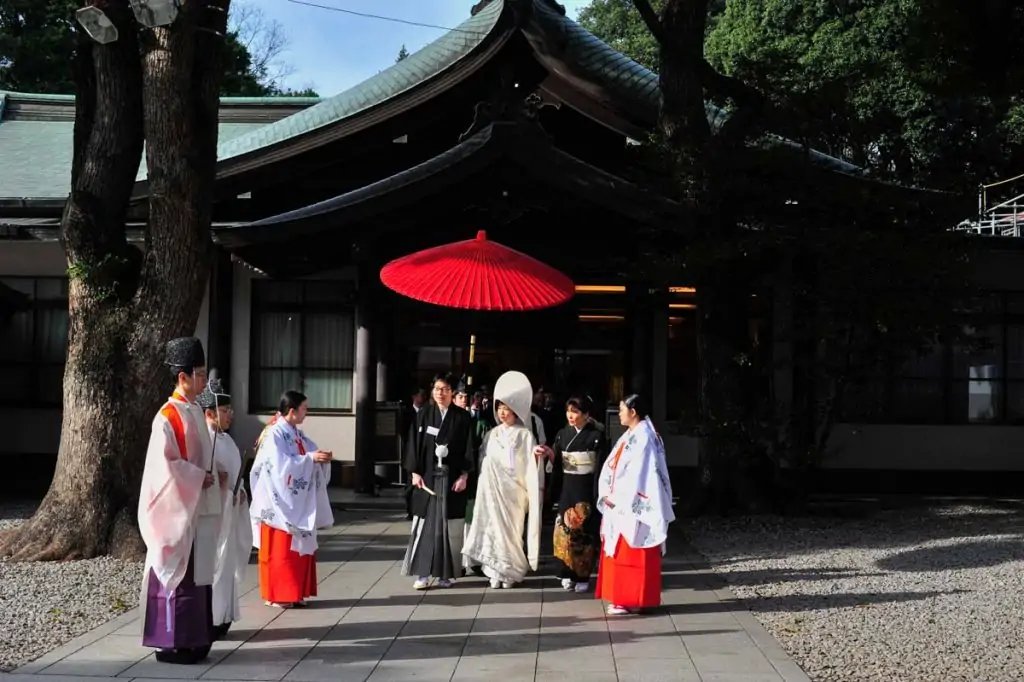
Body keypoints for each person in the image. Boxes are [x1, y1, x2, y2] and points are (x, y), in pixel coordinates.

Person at [137, 337, 220, 664]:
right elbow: (164, 468)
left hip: (194, 506)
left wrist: (210, 475)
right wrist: (199, 477)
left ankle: (196, 638)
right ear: (182, 377)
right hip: (176, 511)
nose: (203, 381)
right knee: (178, 576)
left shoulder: (194, 410)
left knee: (196, 576)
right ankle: (171, 643)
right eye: (198, 374)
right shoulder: (166, 417)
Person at [249, 390, 334, 608]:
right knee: (281, 550)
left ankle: (296, 592)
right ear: (292, 411)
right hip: (277, 502)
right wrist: (309, 459)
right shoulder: (274, 433)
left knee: (297, 548)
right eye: (304, 408)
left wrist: (319, 457)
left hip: (295, 500)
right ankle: (279, 594)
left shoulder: (296, 433)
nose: (307, 412)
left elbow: (307, 452)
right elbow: (278, 465)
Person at [462, 371, 543, 589]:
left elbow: (528, 464)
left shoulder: (525, 435)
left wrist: (536, 457)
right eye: (499, 408)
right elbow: (483, 460)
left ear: (516, 411)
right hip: (493, 492)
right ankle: (495, 570)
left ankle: (512, 571)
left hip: (514, 491)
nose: (502, 412)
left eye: (507, 409)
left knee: (512, 532)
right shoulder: (492, 434)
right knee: (493, 530)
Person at [596, 394, 675, 616]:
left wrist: (622, 497)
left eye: (622, 409)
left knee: (632, 550)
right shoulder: (633, 435)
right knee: (623, 551)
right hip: (621, 499)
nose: (619, 413)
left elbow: (642, 474)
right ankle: (625, 597)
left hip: (633, 501)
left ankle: (629, 597)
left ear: (633, 412)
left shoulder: (644, 437)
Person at [401, 372, 475, 590]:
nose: (440, 393)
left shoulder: (462, 418)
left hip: (451, 478)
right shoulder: (424, 414)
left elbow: (468, 448)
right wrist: (414, 472)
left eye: (444, 389)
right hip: (427, 477)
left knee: (449, 528)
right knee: (425, 526)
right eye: (436, 389)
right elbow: (413, 444)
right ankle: (423, 573)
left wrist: (464, 475)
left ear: (452, 392)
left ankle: (447, 574)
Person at [197, 373, 252, 639]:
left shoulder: (226, 440)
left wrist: (238, 491)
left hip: (229, 510)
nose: (230, 415)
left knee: (225, 565)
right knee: (214, 565)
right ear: (209, 413)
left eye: (230, 410)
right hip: (212, 514)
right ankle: (210, 617)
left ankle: (223, 617)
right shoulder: (202, 440)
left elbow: (233, 474)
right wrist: (223, 486)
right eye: (225, 410)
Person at [538, 394, 608, 593]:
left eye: (576, 412)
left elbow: (600, 469)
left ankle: (583, 575)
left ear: (586, 414)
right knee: (563, 533)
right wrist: (553, 492)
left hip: (586, 488)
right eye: (569, 411)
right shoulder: (562, 434)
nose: (571, 415)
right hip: (568, 488)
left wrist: (597, 496)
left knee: (585, 535)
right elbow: (558, 467)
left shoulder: (597, 436)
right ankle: (566, 572)